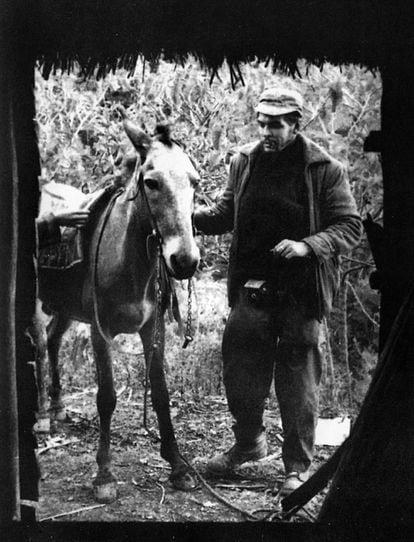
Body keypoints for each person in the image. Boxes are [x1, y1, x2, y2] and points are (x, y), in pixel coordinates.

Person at [194, 86, 362, 496]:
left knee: (298, 382)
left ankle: (297, 468)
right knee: (241, 372)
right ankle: (249, 444)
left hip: (301, 295)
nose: (266, 131)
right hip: (252, 291)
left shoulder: (324, 169)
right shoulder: (244, 160)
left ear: (295, 124)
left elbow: (349, 227)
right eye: (262, 122)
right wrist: (183, 216)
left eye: (275, 125)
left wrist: (307, 246)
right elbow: (224, 213)